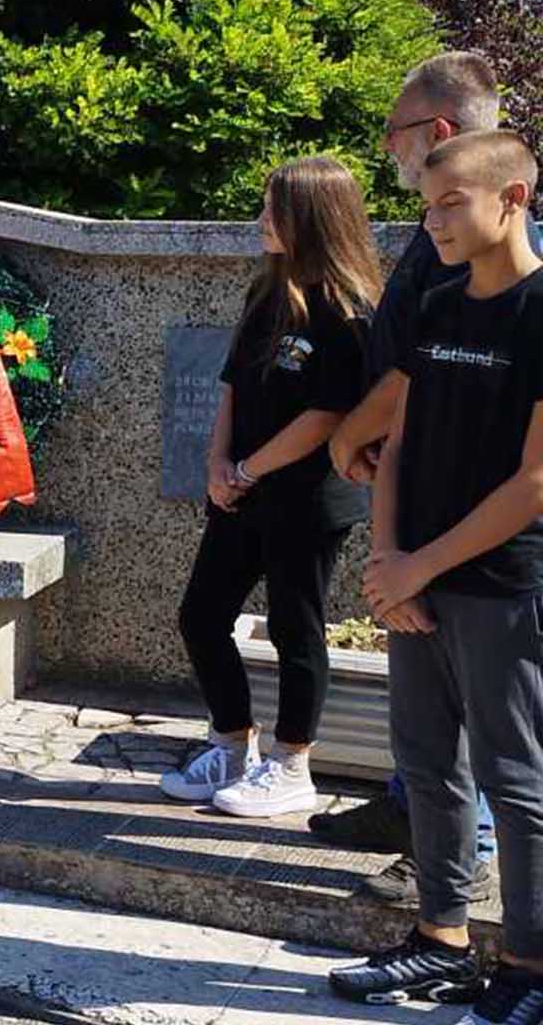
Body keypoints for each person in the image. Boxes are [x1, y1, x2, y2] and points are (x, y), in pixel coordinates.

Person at [330, 131, 543, 1018]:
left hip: (502, 586)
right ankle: (440, 942)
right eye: (427, 207)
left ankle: (528, 969)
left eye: (452, 202)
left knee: (516, 780)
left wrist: (421, 563)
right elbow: (399, 442)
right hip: (416, 576)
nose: (435, 222)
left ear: (514, 198)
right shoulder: (440, 304)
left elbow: (535, 482)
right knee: (426, 763)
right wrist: (390, 566)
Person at [313, 53, 518, 906]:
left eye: (394, 132)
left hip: (466, 520)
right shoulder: (447, 227)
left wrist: (351, 436)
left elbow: (430, 374)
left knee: (474, 703)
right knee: (426, 701)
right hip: (416, 489)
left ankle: (463, 856)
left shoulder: (484, 244)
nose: (386, 150)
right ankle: (413, 811)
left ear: (436, 130)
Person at [158, 156, 380, 817]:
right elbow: (233, 385)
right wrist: (216, 463)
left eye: (273, 209)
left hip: (306, 500)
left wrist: (249, 469)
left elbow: (325, 416)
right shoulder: (269, 290)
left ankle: (291, 764)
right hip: (242, 490)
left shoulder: (347, 311)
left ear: (311, 218)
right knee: (201, 615)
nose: (261, 220)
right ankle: (231, 743)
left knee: (294, 627)